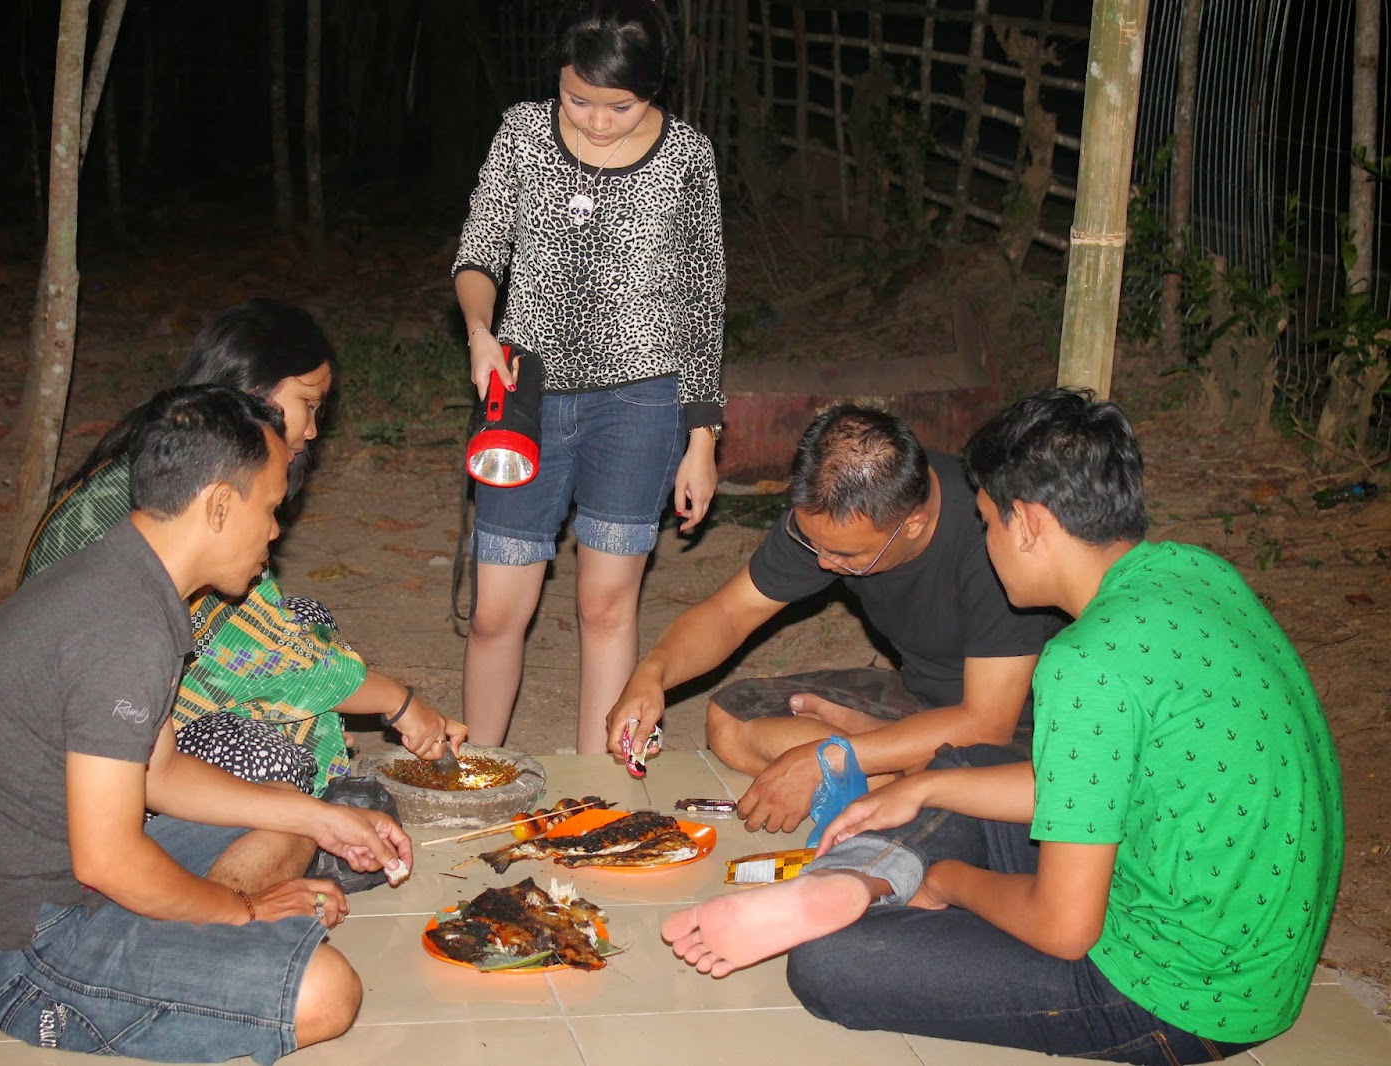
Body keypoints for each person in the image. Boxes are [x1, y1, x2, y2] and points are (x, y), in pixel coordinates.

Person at [660, 389, 1344, 1065]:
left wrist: (952, 882)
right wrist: (922, 790)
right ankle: (856, 881)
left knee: (831, 966)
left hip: (1177, 996)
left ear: (1030, 524)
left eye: (986, 523)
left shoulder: (1087, 665)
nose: (984, 545)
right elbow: (1084, 785)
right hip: (1248, 943)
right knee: (955, 770)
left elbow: (1064, 928)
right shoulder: (1196, 573)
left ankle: (870, 884)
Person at [0, 387, 416, 1062]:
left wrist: (322, 820)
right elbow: (109, 857)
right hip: (25, 947)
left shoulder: (125, 577)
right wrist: (242, 911)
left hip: (78, 876)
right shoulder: (125, 629)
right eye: (270, 508)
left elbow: (161, 773)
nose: (275, 532)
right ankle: (207, 935)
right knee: (327, 995)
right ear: (217, 505)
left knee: (289, 812)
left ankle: (190, 930)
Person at [22, 299, 465, 800]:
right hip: (86, 754)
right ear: (255, 390)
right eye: (309, 405)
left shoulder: (181, 454)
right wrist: (400, 703)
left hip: (150, 682)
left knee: (305, 620)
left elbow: (265, 625)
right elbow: (253, 649)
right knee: (272, 754)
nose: (315, 430)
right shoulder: (172, 496)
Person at [454, 0, 725, 753]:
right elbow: (479, 253)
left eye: (620, 105)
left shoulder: (686, 157)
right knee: (496, 611)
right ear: (559, 78)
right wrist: (482, 333)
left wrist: (702, 439)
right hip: (524, 394)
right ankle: (474, 775)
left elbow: (702, 303)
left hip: (641, 403)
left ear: (654, 93)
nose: (597, 121)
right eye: (579, 99)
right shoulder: (521, 133)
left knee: (608, 608)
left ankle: (596, 795)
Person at [607, 404, 1064, 831]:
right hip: (919, 702)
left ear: (913, 526)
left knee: (980, 776)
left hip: (1018, 730)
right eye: (814, 544)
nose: (824, 563)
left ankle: (917, 785)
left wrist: (828, 756)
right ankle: (903, 776)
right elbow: (730, 611)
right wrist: (654, 671)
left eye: (845, 555)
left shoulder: (992, 537)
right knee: (731, 722)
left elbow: (988, 722)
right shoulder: (831, 515)